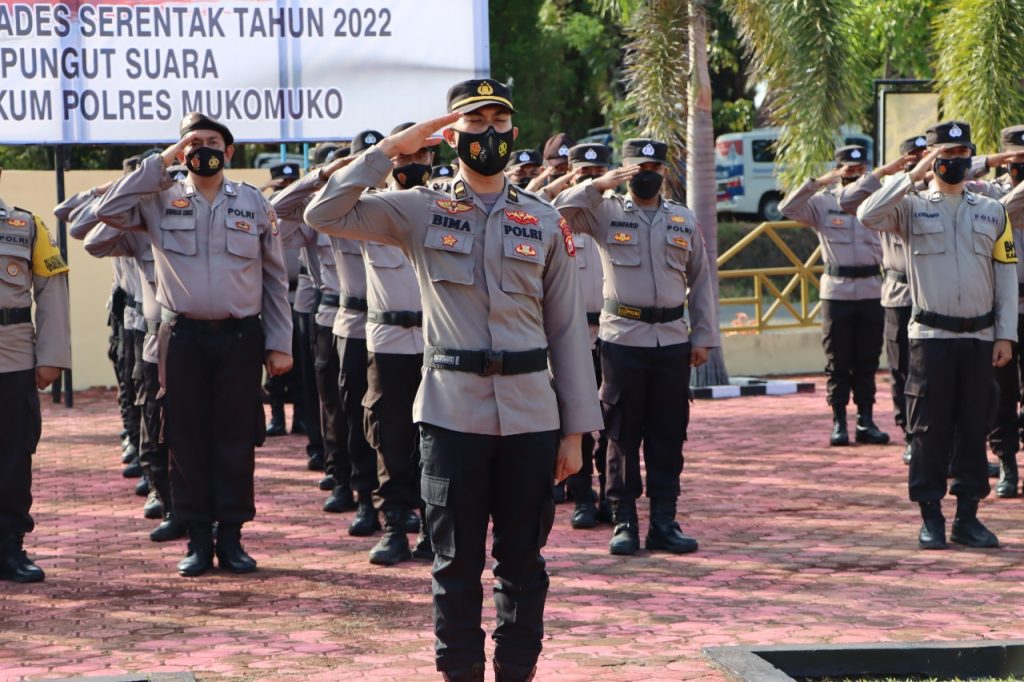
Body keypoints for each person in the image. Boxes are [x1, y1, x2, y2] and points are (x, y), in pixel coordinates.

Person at [304, 78, 602, 682]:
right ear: (451, 134)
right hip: (450, 412)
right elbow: (323, 213)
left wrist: (576, 433)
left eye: (498, 122)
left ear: (513, 132)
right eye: (475, 122)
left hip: (530, 416)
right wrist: (391, 149)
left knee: (524, 563)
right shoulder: (421, 208)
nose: (488, 133)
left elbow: (568, 330)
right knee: (455, 563)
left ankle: (516, 672)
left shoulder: (545, 220)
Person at [96, 112, 293, 576]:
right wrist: (161, 162)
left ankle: (233, 537)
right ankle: (198, 539)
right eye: (193, 143)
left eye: (212, 143)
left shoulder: (253, 203)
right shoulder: (157, 199)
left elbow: (274, 278)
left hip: (240, 338)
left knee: (236, 437)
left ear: (229, 151)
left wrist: (280, 342)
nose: (203, 150)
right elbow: (104, 214)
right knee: (184, 437)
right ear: (181, 151)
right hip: (181, 337)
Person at [554, 138, 718, 557]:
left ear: (663, 171)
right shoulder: (604, 212)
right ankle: (623, 520)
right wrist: (597, 185)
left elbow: (701, 278)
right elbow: (556, 214)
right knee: (621, 435)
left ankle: (664, 522)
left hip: (672, 341)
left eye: (653, 168)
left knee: (668, 434)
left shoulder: (682, 219)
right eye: (638, 168)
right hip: (623, 339)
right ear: (624, 171)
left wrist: (704, 335)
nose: (647, 175)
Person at [857, 121, 1017, 550]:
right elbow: (866, 213)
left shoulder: (992, 210)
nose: (955, 161)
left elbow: (1005, 274)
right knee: (928, 429)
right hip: (931, 337)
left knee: (974, 426)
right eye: (946, 154)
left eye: (962, 153)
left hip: (980, 337)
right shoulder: (910, 207)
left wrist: (1006, 334)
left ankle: (968, 516)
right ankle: (930, 516)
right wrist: (911, 175)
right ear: (932, 158)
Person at [358, 122, 434, 565]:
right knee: (389, 437)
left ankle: (432, 527)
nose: (410, 163)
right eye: (403, 156)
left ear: (431, 158)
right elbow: (305, 208)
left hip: (439, 342)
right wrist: (377, 157)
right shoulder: (370, 208)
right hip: (387, 344)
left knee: (436, 438)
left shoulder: (449, 204)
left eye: (418, 155)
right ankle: (393, 527)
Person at [780, 145, 889, 447]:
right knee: (837, 361)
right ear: (838, 170)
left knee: (868, 359)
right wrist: (820, 182)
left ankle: (866, 420)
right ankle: (839, 421)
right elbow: (787, 208)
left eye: (860, 169)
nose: (855, 175)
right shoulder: (823, 203)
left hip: (871, 289)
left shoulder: (880, 198)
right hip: (837, 291)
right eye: (848, 170)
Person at [271, 147, 358, 513]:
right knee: (332, 404)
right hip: (329, 314)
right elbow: (274, 211)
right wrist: (318, 179)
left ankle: (376, 489)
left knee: (373, 410)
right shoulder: (316, 210)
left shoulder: (386, 206)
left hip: (376, 320)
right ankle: (340, 478)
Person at [838, 136, 927, 462]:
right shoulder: (888, 190)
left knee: (940, 371)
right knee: (903, 370)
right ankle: (910, 434)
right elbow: (847, 200)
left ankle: (948, 440)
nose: (920, 160)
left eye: (926, 155)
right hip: (900, 296)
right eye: (913, 156)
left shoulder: (945, 190)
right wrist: (893, 173)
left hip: (934, 295)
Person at [0, 181, 71, 583]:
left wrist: (51, 356)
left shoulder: (26, 226)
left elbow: (52, 291)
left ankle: (9, 546)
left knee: (13, 456)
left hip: (12, 357)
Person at [560, 143, 613, 528]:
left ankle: (612, 494)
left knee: (613, 421)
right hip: (574, 336)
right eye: (584, 174)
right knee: (576, 420)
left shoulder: (621, 216)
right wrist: (583, 189)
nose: (593, 181)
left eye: (599, 174)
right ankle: (582, 497)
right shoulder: (561, 218)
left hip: (614, 333)